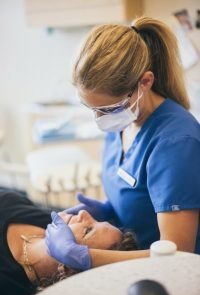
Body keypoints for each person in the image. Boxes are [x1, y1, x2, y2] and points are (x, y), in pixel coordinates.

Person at [45, 16, 200, 271]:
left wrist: (85, 257)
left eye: (107, 109)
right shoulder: (121, 121)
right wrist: (109, 211)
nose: (98, 119)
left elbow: (178, 257)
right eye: (91, 108)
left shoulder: (176, 143)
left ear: (145, 83)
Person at [0, 189, 137, 295]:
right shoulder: (15, 203)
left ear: (67, 269)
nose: (84, 213)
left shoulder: (9, 287)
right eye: (97, 220)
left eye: (88, 230)